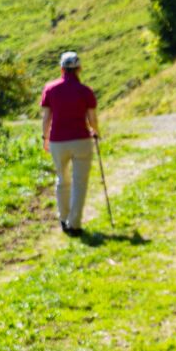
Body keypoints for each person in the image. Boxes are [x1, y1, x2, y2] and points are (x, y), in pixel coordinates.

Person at [39, 51, 99, 235]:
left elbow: (46, 117)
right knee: (80, 183)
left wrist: (45, 138)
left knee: (62, 180)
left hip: (58, 142)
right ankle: (74, 223)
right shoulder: (85, 91)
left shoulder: (50, 89)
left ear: (61, 68)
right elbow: (92, 118)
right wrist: (95, 131)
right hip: (81, 140)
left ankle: (63, 218)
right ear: (79, 69)